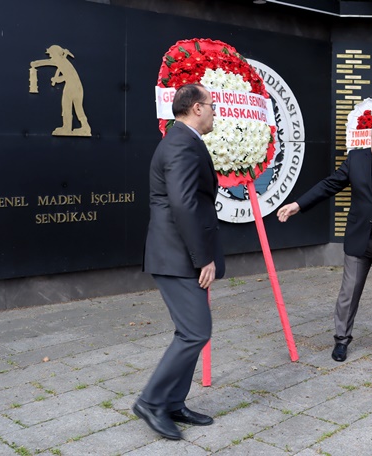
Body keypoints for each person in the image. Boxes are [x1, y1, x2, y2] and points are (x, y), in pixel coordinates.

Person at [277, 119, 372, 365]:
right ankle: (341, 340)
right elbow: (329, 185)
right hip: (359, 239)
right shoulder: (355, 159)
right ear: (370, 140)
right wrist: (298, 205)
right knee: (348, 294)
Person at [133, 83, 225, 440]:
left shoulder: (185, 141)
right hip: (177, 255)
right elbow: (183, 204)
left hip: (179, 254)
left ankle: (173, 403)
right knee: (196, 332)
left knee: (191, 331)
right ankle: (150, 401)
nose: (215, 112)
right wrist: (203, 259)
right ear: (197, 108)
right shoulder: (181, 144)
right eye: (212, 105)